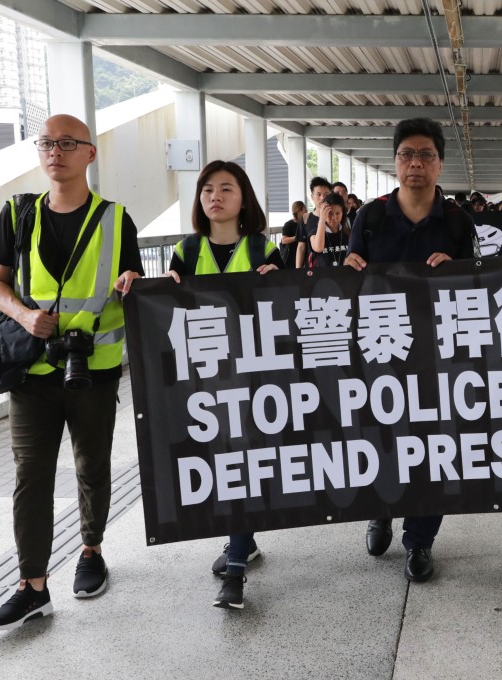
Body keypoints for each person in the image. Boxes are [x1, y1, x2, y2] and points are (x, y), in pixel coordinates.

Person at [0, 114, 144, 631]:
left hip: (93, 369)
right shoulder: (17, 213)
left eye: (68, 143)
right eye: (47, 143)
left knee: (92, 466)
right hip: (31, 368)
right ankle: (32, 586)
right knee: (32, 475)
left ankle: (91, 550)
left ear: (89, 154)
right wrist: (26, 315)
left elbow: (131, 281)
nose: (56, 152)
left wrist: (132, 281)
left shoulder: (117, 219)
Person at [344, 117, 476, 584]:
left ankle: (420, 540)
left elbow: (476, 288)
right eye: (406, 155)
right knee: (382, 437)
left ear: (440, 163)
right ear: (395, 161)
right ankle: (379, 510)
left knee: (435, 443)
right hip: (380, 351)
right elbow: (350, 279)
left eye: (425, 155)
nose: (415, 163)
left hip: (438, 355)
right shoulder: (372, 216)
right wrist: (348, 267)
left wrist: (459, 269)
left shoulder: (459, 221)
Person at [165, 160, 282, 610]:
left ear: (243, 198)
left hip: (252, 381)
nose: (215, 196)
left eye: (226, 188)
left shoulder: (261, 249)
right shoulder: (186, 251)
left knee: (242, 463)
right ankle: (244, 541)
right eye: (207, 189)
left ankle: (235, 568)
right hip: (204, 382)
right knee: (225, 465)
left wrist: (280, 284)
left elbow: (285, 314)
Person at [295, 176, 333, 269]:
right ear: (312, 196)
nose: (322, 198)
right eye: (318, 194)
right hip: (314, 270)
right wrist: (298, 271)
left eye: (326, 194)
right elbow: (301, 247)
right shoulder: (306, 218)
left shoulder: (336, 216)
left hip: (335, 268)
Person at [307, 192, 350, 268]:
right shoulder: (314, 233)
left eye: (337, 213)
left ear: (343, 213)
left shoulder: (348, 233)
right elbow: (318, 248)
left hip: (344, 277)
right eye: (330, 213)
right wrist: (322, 219)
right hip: (322, 278)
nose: (333, 218)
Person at [280, 200, 308, 269]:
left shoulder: (306, 223)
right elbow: (284, 240)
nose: (306, 211)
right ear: (299, 211)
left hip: (303, 255)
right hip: (291, 257)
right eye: (305, 209)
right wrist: (298, 237)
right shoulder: (289, 224)